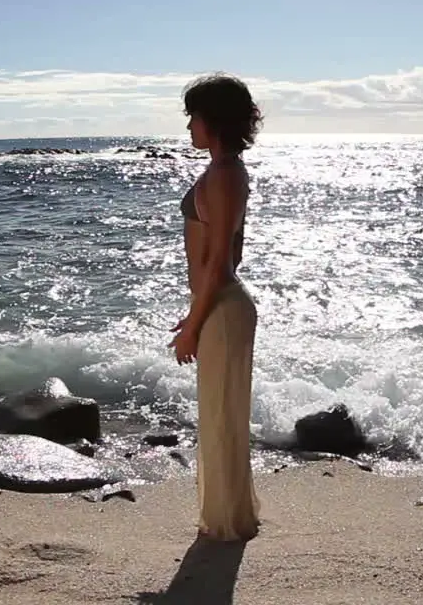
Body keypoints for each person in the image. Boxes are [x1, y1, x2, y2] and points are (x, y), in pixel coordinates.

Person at [168, 72, 262, 542]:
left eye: (193, 118)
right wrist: (193, 314)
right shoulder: (224, 170)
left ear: (213, 121)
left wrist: (195, 322)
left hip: (223, 306)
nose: (189, 128)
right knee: (220, 412)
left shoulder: (224, 174)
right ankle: (230, 519)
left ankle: (226, 526)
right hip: (219, 306)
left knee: (222, 414)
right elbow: (228, 257)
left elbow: (222, 261)